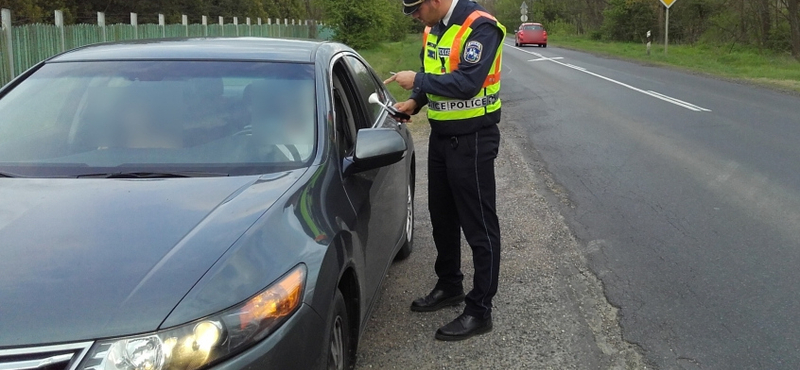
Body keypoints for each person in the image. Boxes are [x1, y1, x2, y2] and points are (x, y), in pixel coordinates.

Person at [384, 0, 505, 341]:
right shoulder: (433, 29)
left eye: (417, 9)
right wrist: (416, 100)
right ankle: (450, 284)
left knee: (480, 226)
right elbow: (437, 78)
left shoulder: (481, 26)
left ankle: (480, 310)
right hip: (441, 136)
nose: (415, 17)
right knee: (442, 216)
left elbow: (468, 82)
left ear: (434, 1)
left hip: (473, 139)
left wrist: (416, 79)